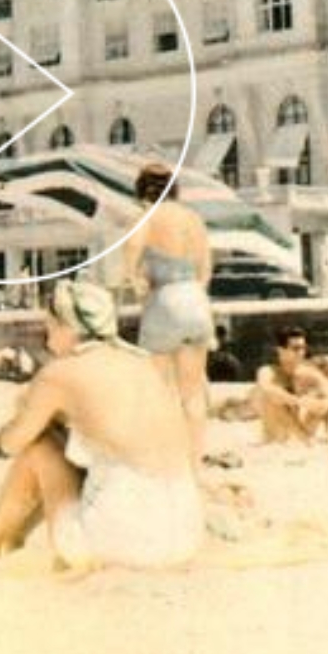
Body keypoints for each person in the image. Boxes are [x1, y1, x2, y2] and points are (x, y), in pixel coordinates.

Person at [0, 278, 203, 571]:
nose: (47, 335)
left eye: (50, 325)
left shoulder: (60, 374)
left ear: (68, 326)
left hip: (119, 545)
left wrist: (24, 412)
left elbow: (11, 444)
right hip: (184, 535)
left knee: (39, 449)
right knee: (74, 450)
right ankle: (8, 539)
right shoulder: (143, 365)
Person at [122, 162, 213, 470]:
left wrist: (142, 290)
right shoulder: (193, 218)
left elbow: (130, 265)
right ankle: (194, 464)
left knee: (158, 392)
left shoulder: (146, 217)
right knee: (193, 393)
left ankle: (163, 463)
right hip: (196, 301)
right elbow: (206, 270)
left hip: (164, 300)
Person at [253, 326, 328, 444]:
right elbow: (268, 390)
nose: (301, 353)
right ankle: (305, 440)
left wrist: (322, 404)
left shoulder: (308, 373)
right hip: (274, 442)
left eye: (303, 348)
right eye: (296, 348)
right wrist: (300, 401)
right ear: (280, 350)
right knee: (274, 397)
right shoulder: (267, 371)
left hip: (298, 439)